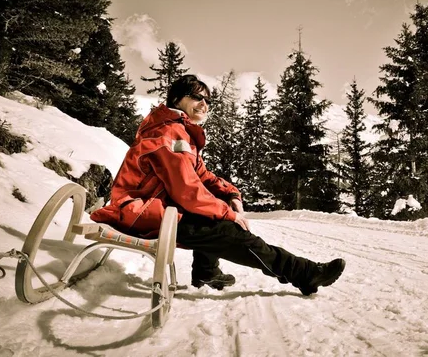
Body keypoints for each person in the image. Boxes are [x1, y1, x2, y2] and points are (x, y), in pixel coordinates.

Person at [90, 74, 345, 295]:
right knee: (228, 231)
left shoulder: (178, 132)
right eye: (196, 97)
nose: (204, 104)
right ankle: (305, 273)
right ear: (177, 100)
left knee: (218, 212)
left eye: (208, 101)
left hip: (155, 210)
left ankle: (206, 271)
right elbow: (187, 190)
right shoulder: (168, 133)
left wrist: (231, 193)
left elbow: (201, 175)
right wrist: (229, 213)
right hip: (141, 213)